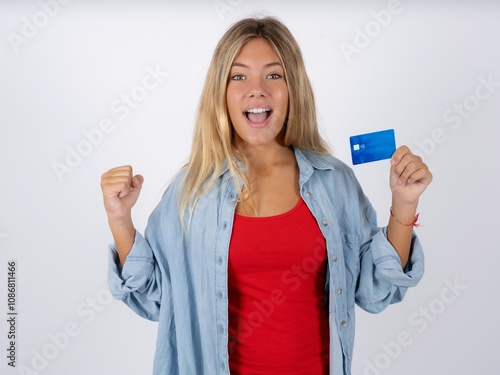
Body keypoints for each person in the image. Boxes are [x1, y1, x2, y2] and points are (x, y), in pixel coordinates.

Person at [101, 16, 432, 375]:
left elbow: (375, 289)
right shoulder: (191, 191)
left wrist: (404, 202)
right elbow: (153, 298)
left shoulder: (333, 182)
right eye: (239, 76)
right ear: (221, 93)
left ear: (293, 88)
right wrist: (119, 218)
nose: (256, 89)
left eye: (273, 75)